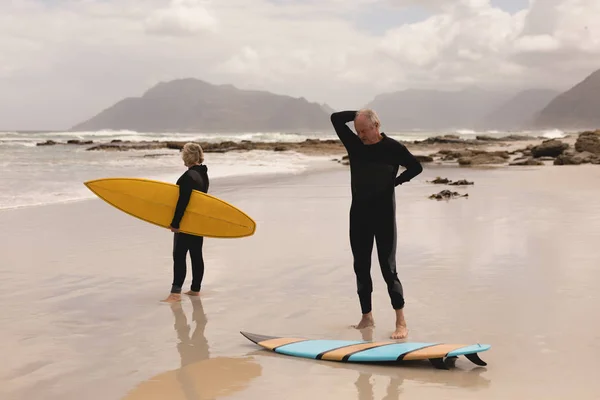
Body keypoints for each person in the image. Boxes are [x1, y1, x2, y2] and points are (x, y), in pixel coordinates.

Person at [330, 109, 423, 339]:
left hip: (383, 217)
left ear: (376, 126)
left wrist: (396, 182)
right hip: (359, 215)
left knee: (387, 268)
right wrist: (359, 114)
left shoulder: (393, 148)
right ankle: (366, 316)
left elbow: (416, 167)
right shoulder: (355, 144)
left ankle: (401, 321)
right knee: (360, 267)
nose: (360, 134)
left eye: (364, 130)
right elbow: (335, 118)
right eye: (358, 130)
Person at [162, 142, 210, 303]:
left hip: (186, 222)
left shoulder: (188, 176)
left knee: (179, 255)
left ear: (187, 156)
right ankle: (195, 289)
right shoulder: (203, 174)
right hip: (198, 222)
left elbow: (182, 202)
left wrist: (175, 223)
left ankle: (175, 293)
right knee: (196, 255)